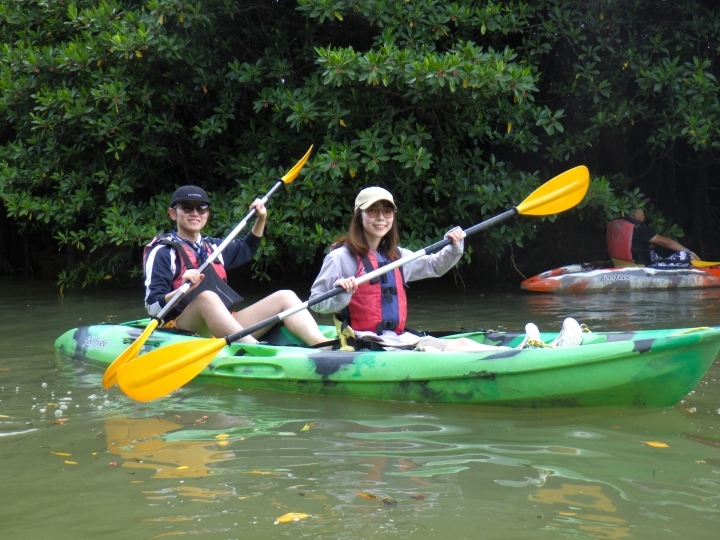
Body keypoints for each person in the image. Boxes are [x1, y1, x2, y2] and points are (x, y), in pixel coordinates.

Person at [309, 186, 583, 351]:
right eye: (372, 211)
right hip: (366, 343)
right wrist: (342, 292)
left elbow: (433, 266)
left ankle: (533, 351)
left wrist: (453, 247)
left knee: (460, 344)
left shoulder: (396, 256)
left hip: (397, 338)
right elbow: (316, 304)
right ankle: (527, 354)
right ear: (360, 216)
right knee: (458, 347)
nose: (381, 218)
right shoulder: (341, 258)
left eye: (387, 211)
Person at [143, 185, 330, 346]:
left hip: (223, 322)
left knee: (286, 296)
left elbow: (248, 247)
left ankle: (324, 347)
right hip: (181, 327)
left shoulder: (215, 247)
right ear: (173, 213)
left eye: (201, 208)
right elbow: (152, 307)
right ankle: (255, 349)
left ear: (207, 213)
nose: (195, 213)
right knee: (207, 297)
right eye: (187, 207)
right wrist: (179, 292)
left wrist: (260, 218)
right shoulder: (162, 252)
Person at [606, 208, 699, 268]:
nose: (644, 213)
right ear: (634, 213)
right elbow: (666, 242)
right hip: (640, 266)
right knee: (688, 256)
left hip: (620, 263)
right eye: (642, 209)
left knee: (657, 255)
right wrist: (689, 252)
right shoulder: (638, 228)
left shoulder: (616, 223)